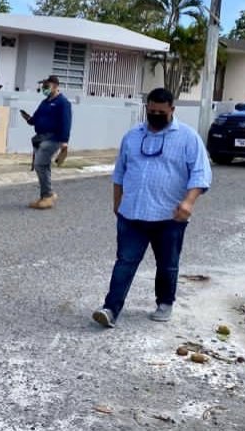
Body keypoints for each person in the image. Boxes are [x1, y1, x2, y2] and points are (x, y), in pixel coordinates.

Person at [92, 87, 212, 328]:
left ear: (172, 110)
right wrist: (117, 201)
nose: (155, 115)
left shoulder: (188, 138)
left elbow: (201, 173)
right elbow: (120, 172)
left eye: (161, 111)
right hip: (132, 214)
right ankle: (110, 308)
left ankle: (165, 302)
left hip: (169, 217)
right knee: (125, 261)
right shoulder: (132, 136)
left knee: (167, 264)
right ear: (146, 108)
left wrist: (189, 202)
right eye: (152, 110)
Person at [19, 75, 72, 209]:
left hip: (53, 138)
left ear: (55, 86)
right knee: (44, 166)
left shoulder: (63, 103)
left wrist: (64, 142)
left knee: (39, 165)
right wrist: (28, 119)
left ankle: (47, 196)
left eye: (46, 86)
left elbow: (66, 122)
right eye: (43, 87)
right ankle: (46, 196)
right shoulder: (45, 102)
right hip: (41, 137)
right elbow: (35, 118)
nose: (44, 89)